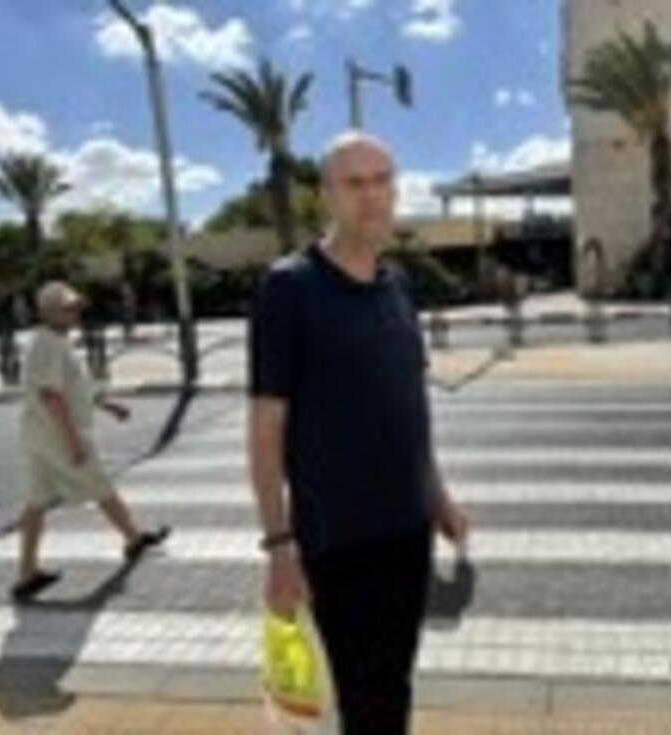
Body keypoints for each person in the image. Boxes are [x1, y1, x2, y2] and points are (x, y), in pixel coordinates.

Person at [248, 131, 470, 734]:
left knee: (392, 683)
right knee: (353, 697)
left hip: (407, 530)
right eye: (354, 184)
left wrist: (439, 497)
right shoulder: (290, 289)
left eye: (382, 181)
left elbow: (408, 408)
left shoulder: (397, 288)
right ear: (326, 195)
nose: (372, 198)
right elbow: (267, 427)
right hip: (337, 540)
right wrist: (278, 548)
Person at [12, 280, 169, 603]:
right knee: (98, 484)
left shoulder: (54, 341)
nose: (76, 312)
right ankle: (133, 538)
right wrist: (73, 442)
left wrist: (107, 404)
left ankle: (27, 573)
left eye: (76, 307)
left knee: (37, 501)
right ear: (49, 312)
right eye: (68, 308)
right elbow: (51, 396)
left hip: (42, 436)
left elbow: (72, 386)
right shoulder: (49, 345)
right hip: (56, 435)